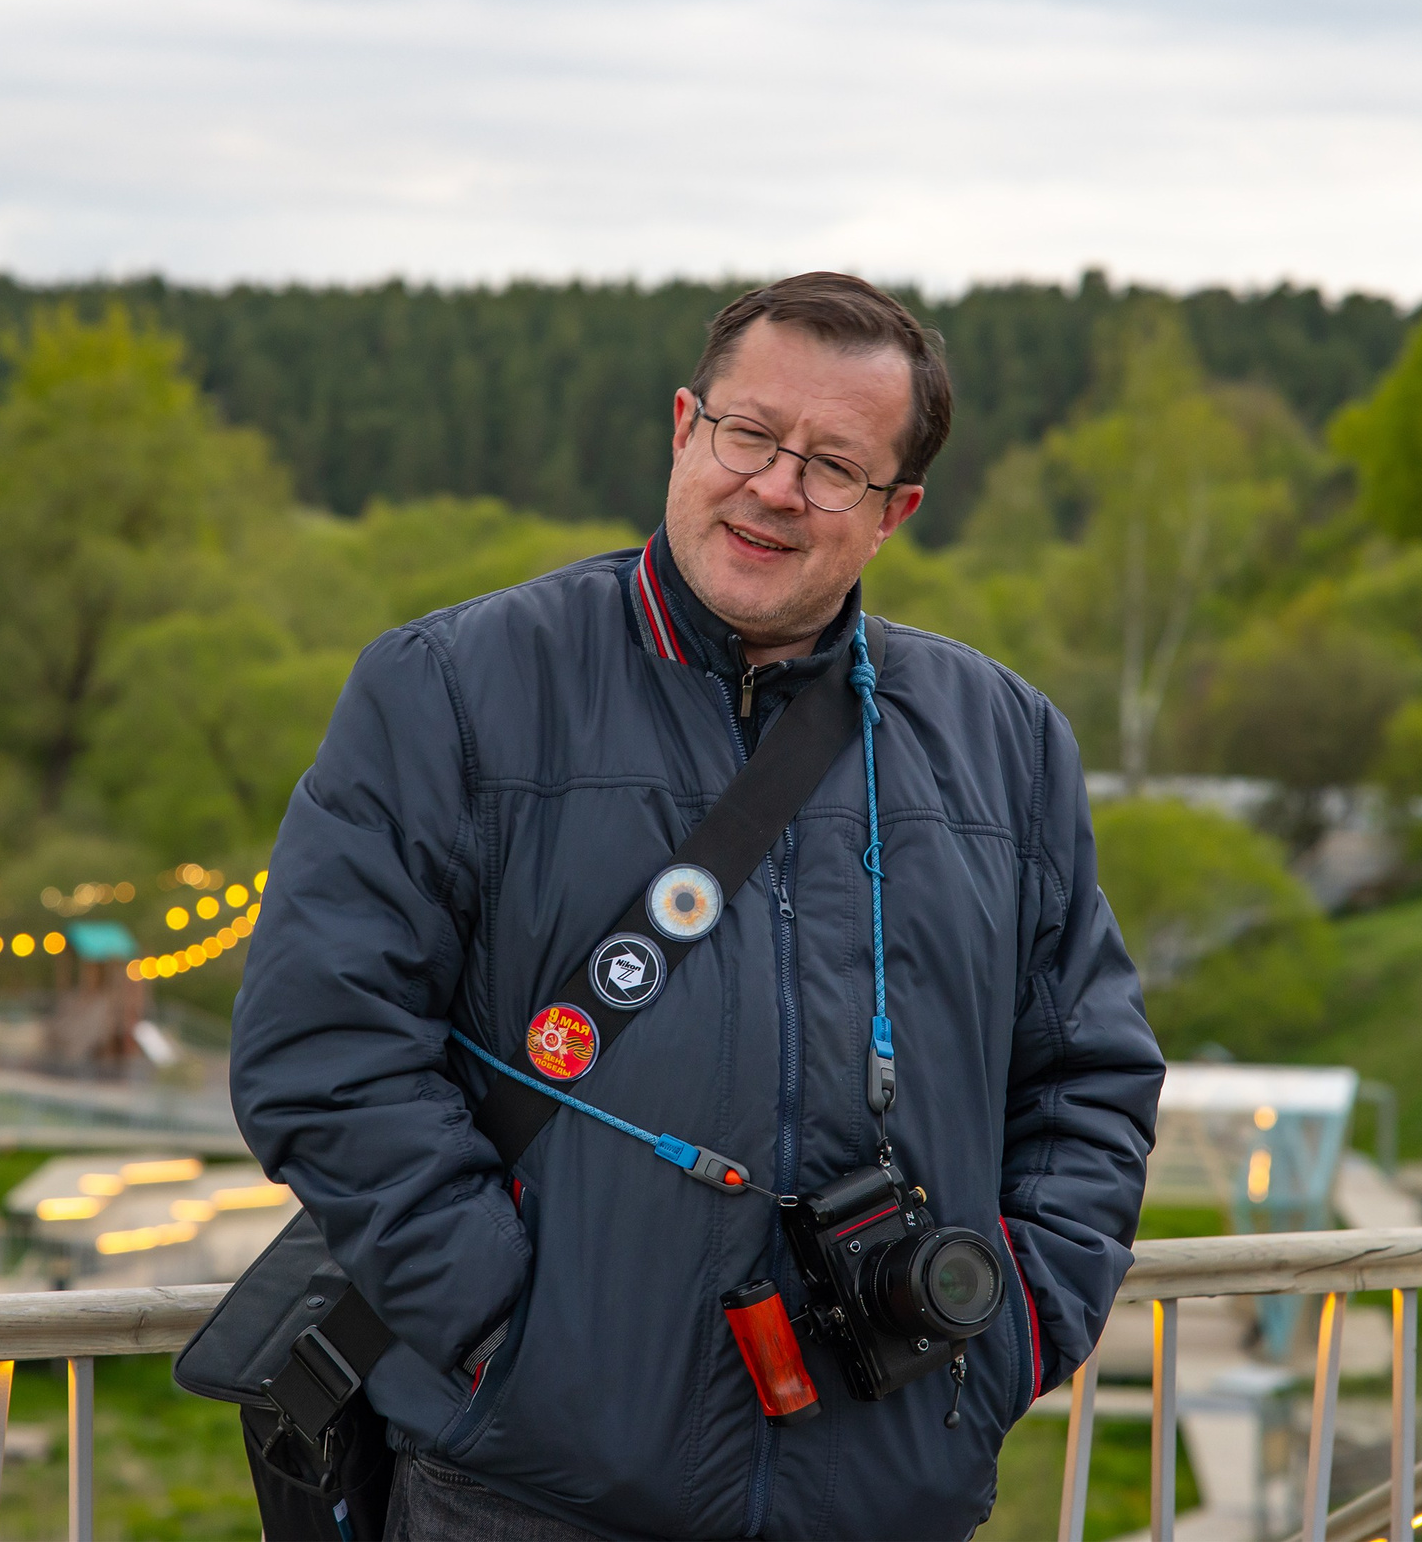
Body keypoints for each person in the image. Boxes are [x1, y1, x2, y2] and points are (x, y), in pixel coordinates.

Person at [231, 272, 1165, 1541]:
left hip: (888, 1488)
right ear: (684, 427)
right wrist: (513, 1330)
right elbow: (320, 1042)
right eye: (749, 434)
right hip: (531, 1489)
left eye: (835, 463)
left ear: (896, 511)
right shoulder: (452, 690)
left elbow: (1090, 1076)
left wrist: (1015, 1330)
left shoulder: (1007, 742)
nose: (777, 486)